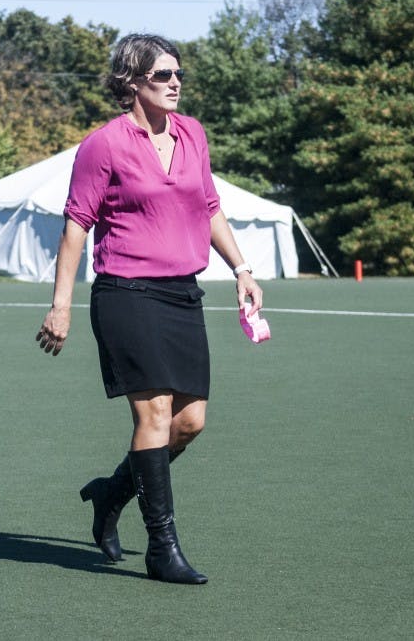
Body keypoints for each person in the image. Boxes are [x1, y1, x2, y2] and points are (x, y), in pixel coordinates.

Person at [35, 33, 263, 585]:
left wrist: (241, 269)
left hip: (182, 295)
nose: (175, 83)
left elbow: (209, 207)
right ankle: (163, 548)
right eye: (163, 75)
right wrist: (60, 306)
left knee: (189, 422)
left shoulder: (192, 134)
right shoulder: (104, 145)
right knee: (154, 415)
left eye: (178, 74)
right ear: (132, 81)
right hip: (126, 294)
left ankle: (110, 494)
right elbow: (76, 228)